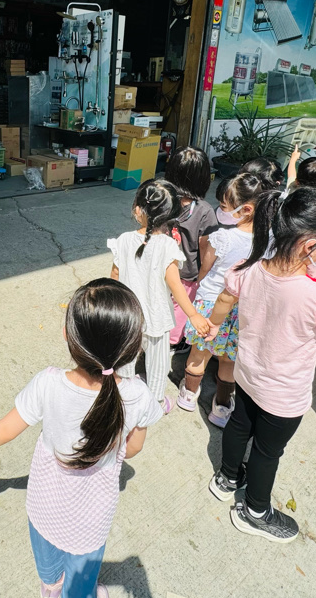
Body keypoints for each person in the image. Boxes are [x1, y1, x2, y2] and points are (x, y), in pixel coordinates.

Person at [0, 279, 163, 598]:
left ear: (67, 335)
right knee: (80, 586)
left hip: (44, 505)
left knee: (48, 566)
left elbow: (6, 428)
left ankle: (50, 589)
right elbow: (133, 448)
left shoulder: (47, 384)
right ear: (133, 347)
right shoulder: (138, 395)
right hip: (90, 520)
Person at [205, 188, 316, 542]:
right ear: (310, 246)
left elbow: (224, 298)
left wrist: (213, 326)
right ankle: (255, 511)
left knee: (239, 425)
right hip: (283, 395)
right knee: (267, 452)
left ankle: (227, 478)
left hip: (247, 373)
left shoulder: (250, 268)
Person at [108, 179, 211, 413]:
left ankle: (123, 398)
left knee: (126, 359)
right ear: (171, 214)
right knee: (157, 364)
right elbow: (175, 285)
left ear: (137, 210)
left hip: (129, 316)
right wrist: (193, 315)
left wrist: (113, 308)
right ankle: (155, 403)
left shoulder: (123, 240)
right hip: (157, 317)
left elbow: (114, 277)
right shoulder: (167, 246)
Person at [177, 173, 267, 427]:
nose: (220, 211)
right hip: (242, 309)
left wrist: (197, 283)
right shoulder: (268, 239)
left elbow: (206, 268)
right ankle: (222, 405)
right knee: (229, 359)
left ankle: (189, 394)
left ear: (246, 209)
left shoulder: (223, 237)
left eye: (225, 207)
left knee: (199, 353)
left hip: (211, 303)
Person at [163, 147, 218, 347]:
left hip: (160, 265)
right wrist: (204, 276)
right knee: (181, 305)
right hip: (187, 272)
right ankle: (172, 342)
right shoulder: (204, 211)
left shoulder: (161, 199)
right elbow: (205, 250)